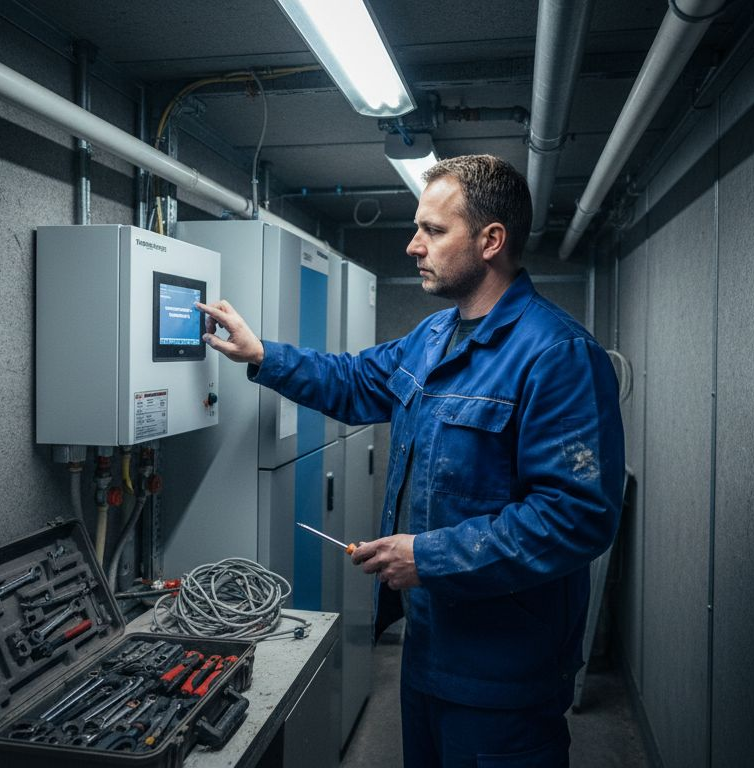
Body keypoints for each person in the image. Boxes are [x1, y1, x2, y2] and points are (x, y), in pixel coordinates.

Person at [197, 154, 624, 767]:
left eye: (433, 230)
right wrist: (262, 354)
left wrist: (427, 556)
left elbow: (577, 517)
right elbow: (351, 381)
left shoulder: (557, 354)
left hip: (505, 672)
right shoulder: (431, 338)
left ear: (491, 240)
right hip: (426, 648)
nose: (412, 245)